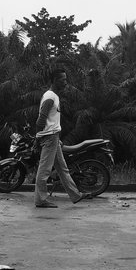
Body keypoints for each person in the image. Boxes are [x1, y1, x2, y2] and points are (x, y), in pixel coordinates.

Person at [34, 68, 91, 208]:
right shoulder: (50, 97)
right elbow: (41, 120)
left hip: (53, 137)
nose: (65, 82)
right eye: (63, 79)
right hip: (49, 137)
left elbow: (49, 120)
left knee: (63, 169)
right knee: (44, 170)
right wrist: (38, 137)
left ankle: (75, 195)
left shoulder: (53, 96)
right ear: (54, 80)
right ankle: (40, 200)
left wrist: (55, 137)